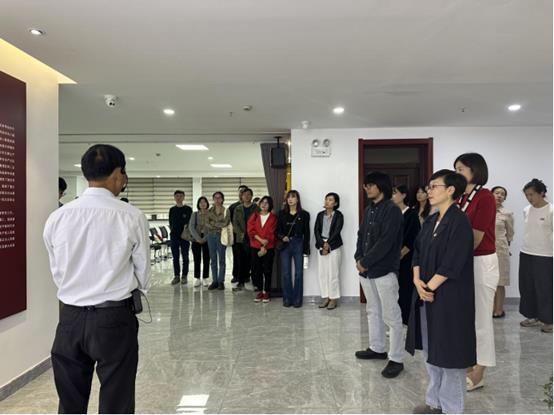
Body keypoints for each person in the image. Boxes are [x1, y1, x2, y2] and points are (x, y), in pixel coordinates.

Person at [43, 144, 150, 414]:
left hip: (69, 318)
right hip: (114, 317)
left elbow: (57, 270)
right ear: (117, 173)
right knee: (117, 399)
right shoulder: (131, 216)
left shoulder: (58, 217)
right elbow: (143, 271)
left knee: (70, 402)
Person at [407, 170, 476, 415]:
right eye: (429, 186)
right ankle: (435, 403)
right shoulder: (431, 220)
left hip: (450, 298)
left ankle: (452, 409)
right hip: (426, 295)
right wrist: (417, 280)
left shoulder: (460, 221)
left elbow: (452, 262)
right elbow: (417, 251)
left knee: (450, 353)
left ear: (450, 190)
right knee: (432, 350)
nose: (429, 191)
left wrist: (428, 287)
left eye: (434, 186)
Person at [454, 152, 499, 391]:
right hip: (464, 262)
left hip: (481, 261)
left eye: (460, 169)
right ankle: (469, 362)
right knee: (467, 318)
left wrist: (450, 257)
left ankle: (480, 370)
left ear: (475, 170)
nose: (457, 173)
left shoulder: (485, 197)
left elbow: (475, 237)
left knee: (481, 319)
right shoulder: (461, 198)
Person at [354, 171, 405, 379]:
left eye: (370, 185)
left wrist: (365, 262)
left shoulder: (392, 211)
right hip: (366, 272)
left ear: (381, 186)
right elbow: (361, 236)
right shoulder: (369, 209)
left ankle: (396, 358)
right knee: (373, 311)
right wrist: (358, 257)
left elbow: (386, 242)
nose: (367, 189)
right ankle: (377, 348)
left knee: (391, 315)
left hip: (384, 270)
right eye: (366, 185)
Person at [519, 178, 553, 333]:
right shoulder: (526, 210)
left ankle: (549, 320)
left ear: (542, 193)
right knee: (527, 287)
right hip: (526, 252)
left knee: (544, 288)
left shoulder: (551, 211)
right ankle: (532, 316)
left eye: (531, 194)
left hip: (545, 255)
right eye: (526, 195)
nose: (529, 198)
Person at [392, 184, 421, 324]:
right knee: (393, 291)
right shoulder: (392, 213)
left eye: (395, 193)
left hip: (406, 259)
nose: (392, 196)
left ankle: (406, 322)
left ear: (403, 195)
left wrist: (400, 254)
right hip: (392, 260)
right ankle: (396, 322)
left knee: (405, 290)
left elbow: (413, 238)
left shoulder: (411, 214)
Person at [277, 190, 310, 308]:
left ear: (297, 199)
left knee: (298, 273)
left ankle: (297, 300)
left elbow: (307, 233)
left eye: (293, 197)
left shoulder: (304, 214)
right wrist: (282, 237)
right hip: (285, 244)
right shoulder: (281, 213)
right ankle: (287, 299)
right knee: (286, 273)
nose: (290, 199)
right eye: (288, 197)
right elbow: (277, 230)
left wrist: (306, 249)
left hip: (298, 243)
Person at [314, 192, 344, 310]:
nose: (327, 201)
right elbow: (316, 231)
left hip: (334, 245)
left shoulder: (339, 215)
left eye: (330, 200)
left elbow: (337, 230)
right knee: (322, 273)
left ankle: (333, 298)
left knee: (333, 273)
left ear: (335, 203)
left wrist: (328, 244)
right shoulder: (320, 215)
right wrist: (322, 244)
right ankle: (326, 297)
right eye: (326, 199)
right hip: (321, 244)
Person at [248, 196, 277, 302]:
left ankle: (267, 292)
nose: (264, 205)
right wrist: (260, 241)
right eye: (262, 202)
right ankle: (260, 290)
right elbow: (250, 230)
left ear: (270, 205)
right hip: (255, 246)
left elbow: (272, 232)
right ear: (259, 204)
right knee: (257, 269)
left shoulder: (273, 217)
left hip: (268, 247)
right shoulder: (254, 216)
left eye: (267, 203)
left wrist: (264, 245)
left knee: (267, 270)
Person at [491, 186, 514, 318]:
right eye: (497, 193)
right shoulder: (485, 210)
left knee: (500, 281)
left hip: (501, 250)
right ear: (491, 195)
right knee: (488, 281)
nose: (499, 195)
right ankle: (489, 308)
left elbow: (510, 234)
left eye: (502, 194)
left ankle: (499, 310)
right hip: (485, 250)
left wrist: (506, 248)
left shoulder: (507, 214)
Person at [232, 187, 258, 291]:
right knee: (241, 260)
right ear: (241, 196)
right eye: (244, 195)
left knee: (253, 261)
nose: (246, 196)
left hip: (253, 237)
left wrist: (251, 233)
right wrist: (241, 233)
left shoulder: (256, 208)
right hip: (241, 238)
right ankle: (241, 281)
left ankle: (255, 282)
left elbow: (259, 222)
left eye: (248, 194)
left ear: (251, 196)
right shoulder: (238, 208)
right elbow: (235, 223)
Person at [207, 191, 231, 290]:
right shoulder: (209, 210)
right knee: (213, 260)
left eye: (219, 197)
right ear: (213, 199)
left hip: (221, 236)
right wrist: (218, 225)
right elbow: (207, 223)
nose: (217, 200)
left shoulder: (226, 211)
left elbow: (225, 223)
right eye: (215, 198)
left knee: (221, 259)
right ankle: (215, 281)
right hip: (211, 236)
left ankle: (221, 281)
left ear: (222, 199)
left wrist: (213, 223)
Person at [169, 190, 193, 285]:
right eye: (177, 196)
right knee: (175, 258)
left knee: (185, 257)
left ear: (183, 197)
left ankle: (184, 276)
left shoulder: (188, 209)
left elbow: (191, 223)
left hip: (185, 237)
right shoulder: (172, 210)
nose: (178, 198)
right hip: (174, 237)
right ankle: (176, 276)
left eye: (180, 196)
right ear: (174, 198)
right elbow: (171, 223)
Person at [189, 196, 211, 287]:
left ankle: (205, 278)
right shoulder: (194, 214)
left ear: (207, 204)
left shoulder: (211, 214)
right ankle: (197, 278)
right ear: (198, 204)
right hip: (196, 239)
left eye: (204, 202)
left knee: (207, 259)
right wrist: (198, 238)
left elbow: (212, 227)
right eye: (201, 202)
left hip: (208, 238)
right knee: (197, 259)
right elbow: (191, 227)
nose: (203, 204)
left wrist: (205, 238)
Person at [229, 185, 248, 284]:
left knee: (247, 256)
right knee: (236, 256)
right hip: (236, 235)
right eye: (240, 191)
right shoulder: (233, 206)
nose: (242, 193)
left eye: (244, 191)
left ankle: (246, 275)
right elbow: (230, 221)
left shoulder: (252, 206)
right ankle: (236, 275)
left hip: (249, 235)